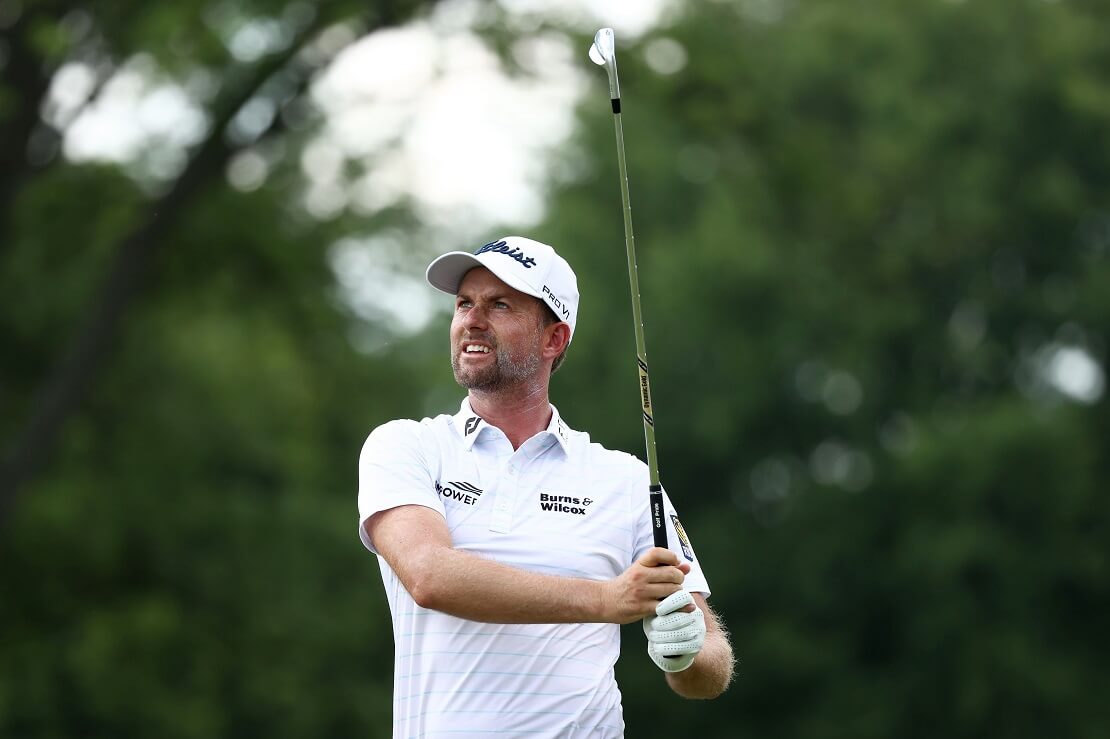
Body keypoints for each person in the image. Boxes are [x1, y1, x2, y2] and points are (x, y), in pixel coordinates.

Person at [357, 236, 734, 737]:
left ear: (553, 339)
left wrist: (685, 651)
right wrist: (607, 601)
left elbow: (710, 666)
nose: (472, 320)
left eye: (500, 305)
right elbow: (429, 576)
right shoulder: (406, 446)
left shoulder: (623, 479)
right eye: (465, 303)